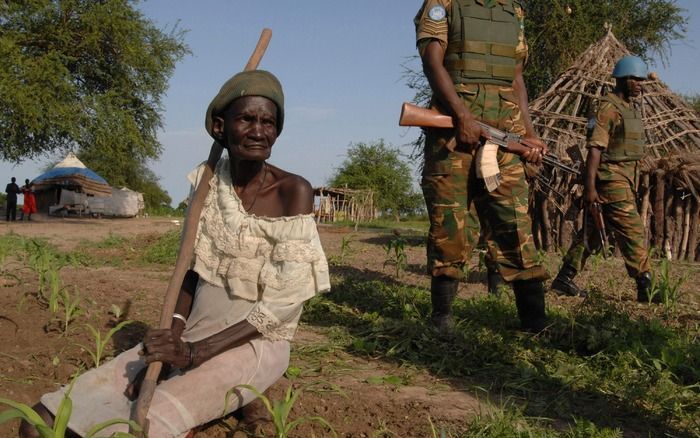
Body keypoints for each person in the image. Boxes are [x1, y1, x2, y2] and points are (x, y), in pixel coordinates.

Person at [20, 70, 331, 437]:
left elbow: (284, 303)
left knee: (143, 426)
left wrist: (195, 355)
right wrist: (174, 340)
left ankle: (232, 402)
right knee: (42, 420)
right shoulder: (206, 186)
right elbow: (190, 270)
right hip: (192, 333)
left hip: (254, 342)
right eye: (246, 118)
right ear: (220, 126)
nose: (259, 131)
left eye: (268, 122)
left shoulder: (292, 191)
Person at [414, 0, 550, 334]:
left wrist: (529, 135)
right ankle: (442, 321)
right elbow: (433, 62)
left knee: (516, 226)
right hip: (454, 136)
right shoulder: (443, 3)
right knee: (451, 228)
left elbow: (517, 78)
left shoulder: (513, 11)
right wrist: (462, 116)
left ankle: (536, 326)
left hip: (506, 137)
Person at [551, 55, 654, 302]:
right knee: (633, 231)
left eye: (642, 79)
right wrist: (590, 188)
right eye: (635, 79)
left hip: (625, 179)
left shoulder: (631, 109)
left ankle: (564, 279)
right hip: (611, 180)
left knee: (593, 234)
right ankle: (646, 286)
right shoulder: (608, 108)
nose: (640, 83)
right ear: (621, 79)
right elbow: (595, 149)